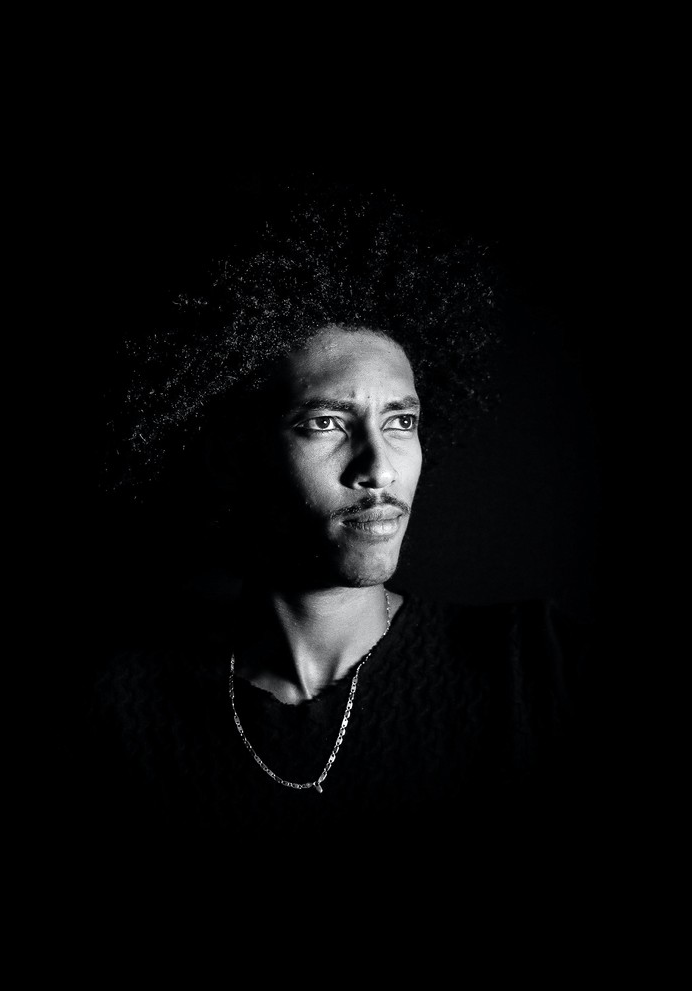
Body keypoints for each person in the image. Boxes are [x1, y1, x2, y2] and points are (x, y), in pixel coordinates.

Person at [55, 182, 599, 868]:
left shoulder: (537, 671)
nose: (379, 466)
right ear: (234, 454)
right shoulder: (118, 717)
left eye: (401, 422)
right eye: (326, 423)